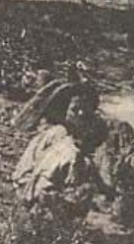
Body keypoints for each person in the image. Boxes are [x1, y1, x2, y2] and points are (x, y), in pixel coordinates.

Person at [12, 82, 110, 214]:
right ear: (64, 110)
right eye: (75, 110)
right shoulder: (60, 134)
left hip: (34, 186)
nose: (80, 115)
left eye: (86, 112)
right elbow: (53, 169)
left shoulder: (70, 135)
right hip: (29, 188)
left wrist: (103, 186)